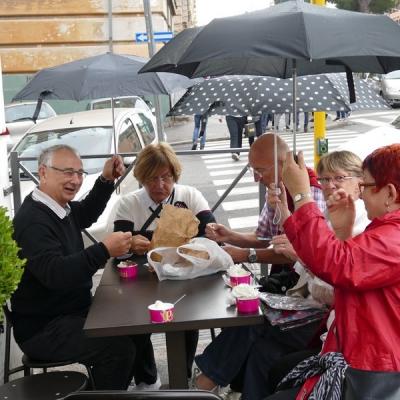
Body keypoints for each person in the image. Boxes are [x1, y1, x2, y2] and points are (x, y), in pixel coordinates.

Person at [192, 134, 326, 396]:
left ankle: (204, 383)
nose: (256, 178)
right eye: (253, 170)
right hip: (290, 288)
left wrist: (248, 255)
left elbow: (300, 253)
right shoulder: (277, 192)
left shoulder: (311, 196)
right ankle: (211, 381)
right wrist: (230, 236)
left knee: (253, 318)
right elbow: (266, 237)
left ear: (283, 164)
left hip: (310, 299)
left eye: (260, 170)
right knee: (253, 331)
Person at [265, 143, 400, 399]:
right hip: (361, 355)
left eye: (366, 187)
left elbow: (338, 265)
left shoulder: (393, 237)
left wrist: (302, 196)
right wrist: (342, 234)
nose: (361, 193)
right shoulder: (385, 231)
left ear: (390, 193)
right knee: (278, 374)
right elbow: (347, 274)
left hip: (376, 368)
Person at [10, 144, 145, 390]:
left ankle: (146, 384)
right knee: (118, 350)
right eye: (68, 172)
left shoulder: (58, 205)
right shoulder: (32, 221)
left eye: (80, 173)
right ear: (43, 172)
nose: (76, 180)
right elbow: (56, 274)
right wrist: (104, 250)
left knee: (134, 318)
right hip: (44, 327)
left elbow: (86, 213)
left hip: (72, 309)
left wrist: (105, 180)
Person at [238, 150, 369, 400]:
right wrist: (283, 209)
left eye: (338, 178)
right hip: (323, 317)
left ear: (361, 182)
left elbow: (333, 284)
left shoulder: (363, 223)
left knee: (256, 333)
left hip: (334, 330)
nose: (330, 186)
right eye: (325, 179)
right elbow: (304, 259)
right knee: (254, 330)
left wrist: (299, 254)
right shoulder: (335, 213)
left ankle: (211, 379)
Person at [113, 142, 217, 384]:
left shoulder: (189, 196)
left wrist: (203, 235)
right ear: (141, 178)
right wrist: (129, 245)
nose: (159, 185)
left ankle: (183, 375)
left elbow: (212, 236)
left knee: (189, 319)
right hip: (141, 281)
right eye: (151, 179)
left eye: (166, 177)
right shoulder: (129, 203)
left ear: (175, 175)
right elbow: (118, 251)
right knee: (135, 321)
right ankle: (147, 378)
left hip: (185, 277)